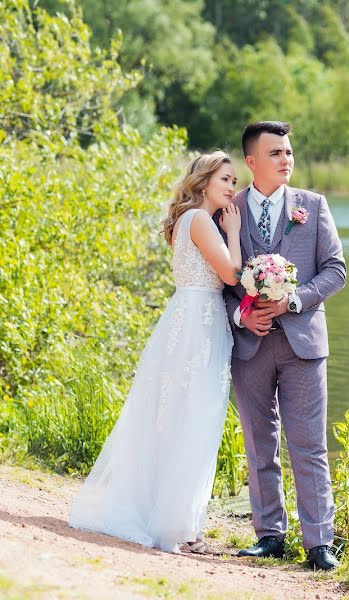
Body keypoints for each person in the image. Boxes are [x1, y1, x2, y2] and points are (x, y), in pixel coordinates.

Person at [69, 152, 243, 553]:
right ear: (203, 182)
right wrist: (233, 232)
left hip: (189, 318)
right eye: (226, 179)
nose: (232, 188)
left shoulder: (189, 220)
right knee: (193, 415)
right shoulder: (201, 220)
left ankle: (177, 516)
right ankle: (176, 524)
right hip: (197, 324)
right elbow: (231, 274)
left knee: (181, 413)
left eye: (235, 181)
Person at [224, 121, 346, 570]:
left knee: (309, 444)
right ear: (251, 162)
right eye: (275, 153)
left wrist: (293, 299)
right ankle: (270, 535)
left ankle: (319, 544)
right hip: (250, 345)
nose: (286, 160)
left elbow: (336, 270)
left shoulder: (312, 207)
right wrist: (243, 313)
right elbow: (218, 277)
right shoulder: (227, 210)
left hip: (303, 345)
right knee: (259, 443)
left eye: (289, 152)